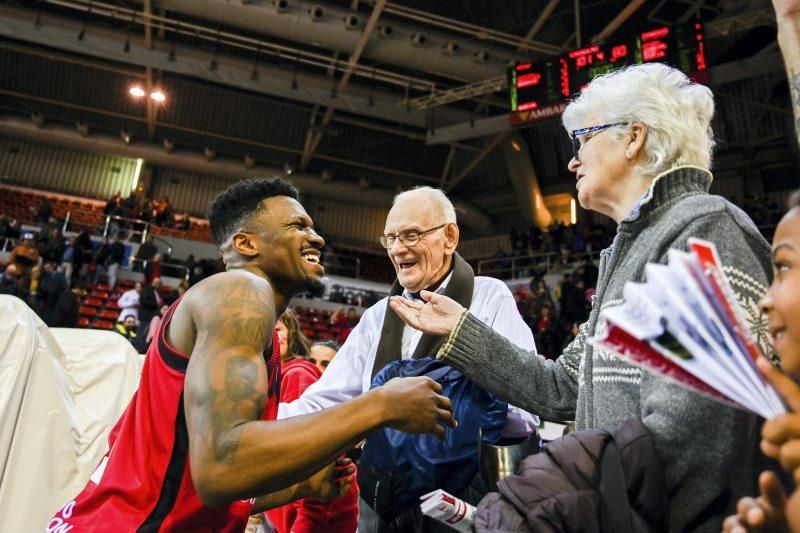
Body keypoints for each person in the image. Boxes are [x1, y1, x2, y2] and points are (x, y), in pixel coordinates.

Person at [389, 63, 773, 532]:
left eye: (583, 139)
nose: (573, 161)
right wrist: (460, 330)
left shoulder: (705, 226)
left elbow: (698, 431)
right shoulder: (635, 249)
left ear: (634, 138)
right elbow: (558, 389)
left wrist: (592, 514)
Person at [49, 177, 455, 531]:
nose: (316, 238)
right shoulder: (241, 292)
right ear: (246, 243)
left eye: (312, 227)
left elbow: (193, 482)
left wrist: (300, 487)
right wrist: (380, 405)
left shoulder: (240, 322)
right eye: (298, 225)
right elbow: (221, 467)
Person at [280, 186, 539, 532]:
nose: (398, 248)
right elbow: (324, 402)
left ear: (449, 236)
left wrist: (432, 421)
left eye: (411, 235)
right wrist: (259, 420)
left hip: (462, 500)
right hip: (380, 505)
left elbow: (523, 413)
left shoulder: (488, 297)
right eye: (390, 239)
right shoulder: (376, 317)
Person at [262, 310, 358, 533]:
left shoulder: (298, 374)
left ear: (291, 335)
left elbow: (307, 455)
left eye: (277, 330)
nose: (270, 336)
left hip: (310, 515)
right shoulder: (277, 375)